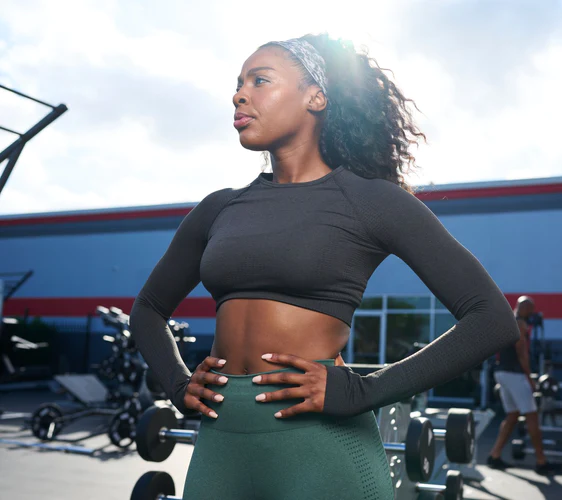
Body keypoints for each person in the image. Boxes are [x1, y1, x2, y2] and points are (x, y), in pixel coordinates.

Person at [129, 33, 520, 500]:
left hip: (319, 443)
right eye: (238, 83)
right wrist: (176, 383)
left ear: (316, 96)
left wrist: (363, 391)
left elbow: (491, 319)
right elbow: (149, 308)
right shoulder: (218, 209)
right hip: (222, 436)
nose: (238, 94)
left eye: (260, 80)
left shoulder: (372, 201)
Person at [487, 296, 562, 474]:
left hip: (501, 373)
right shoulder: (520, 324)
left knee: (512, 416)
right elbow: (522, 352)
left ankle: (494, 455)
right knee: (532, 417)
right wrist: (530, 378)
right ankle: (541, 461)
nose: (533, 313)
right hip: (514, 374)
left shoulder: (508, 321)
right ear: (526, 309)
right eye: (531, 309)